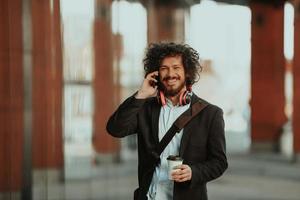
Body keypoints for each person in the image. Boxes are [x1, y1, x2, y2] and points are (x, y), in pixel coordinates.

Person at [106, 42, 228, 200]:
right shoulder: (145, 109)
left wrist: (194, 172)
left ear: (187, 73)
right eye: (164, 68)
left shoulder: (211, 114)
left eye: (176, 68)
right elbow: (115, 129)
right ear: (156, 74)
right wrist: (141, 94)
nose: (171, 74)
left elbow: (219, 162)